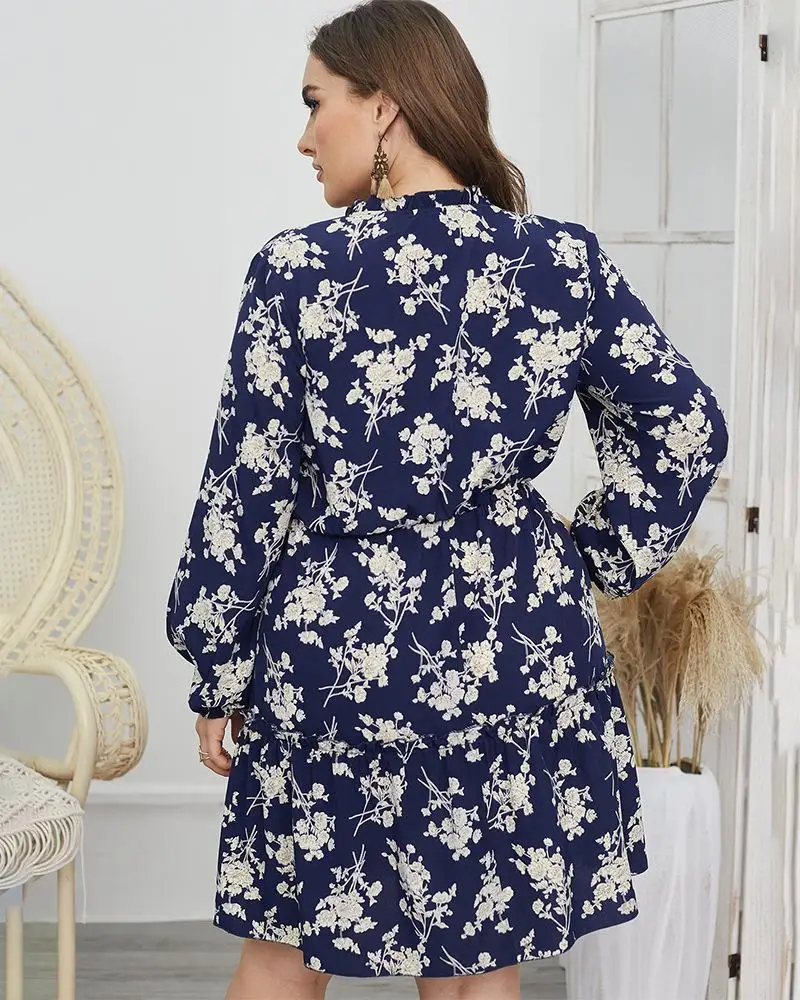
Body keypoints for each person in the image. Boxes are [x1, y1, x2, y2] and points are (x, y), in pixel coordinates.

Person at [164, 2, 730, 998]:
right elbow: (682, 427)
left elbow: (247, 488)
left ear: (384, 107)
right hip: (510, 642)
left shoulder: (298, 271)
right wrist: (590, 554)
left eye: (315, 103)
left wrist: (218, 665)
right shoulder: (560, 263)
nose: (304, 136)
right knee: (475, 963)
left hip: (337, 652)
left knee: (284, 949)